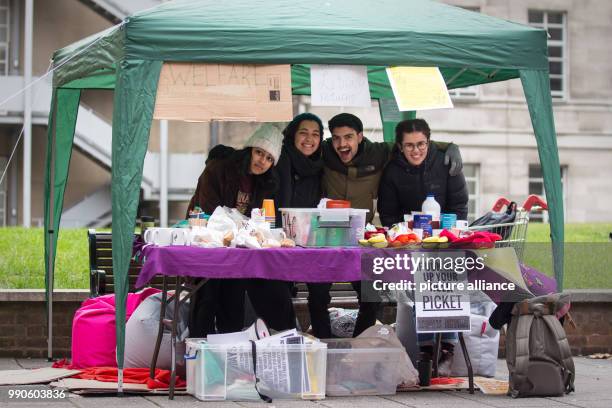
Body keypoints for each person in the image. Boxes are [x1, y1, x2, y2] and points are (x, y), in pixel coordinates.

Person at [377, 118, 468, 376]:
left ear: (429, 142)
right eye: (409, 146)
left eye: (421, 144)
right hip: (411, 245)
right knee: (421, 285)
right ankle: (426, 351)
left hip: (445, 242)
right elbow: (388, 214)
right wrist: (406, 237)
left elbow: (460, 206)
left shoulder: (445, 163)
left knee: (446, 282)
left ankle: (447, 349)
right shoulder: (392, 172)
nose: (416, 150)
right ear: (400, 147)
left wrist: (447, 236)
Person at [187, 123, 296, 336]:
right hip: (208, 244)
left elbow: (259, 220)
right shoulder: (218, 169)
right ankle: (198, 355)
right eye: (259, 153)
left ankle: (229, 353)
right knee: (206, 300)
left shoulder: (265, 182)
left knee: (233, 300)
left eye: (268, 158)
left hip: (239, 251)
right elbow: (209, 212)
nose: (261, 161)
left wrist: (253, 232)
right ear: (249, 150)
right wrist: (240, 228)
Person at [275, 113, 336, 338]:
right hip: (282, 239)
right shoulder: (280, 158)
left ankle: (325, 345)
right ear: (292, 135)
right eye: (303, 132)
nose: (309, 139)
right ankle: (287, 343)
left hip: (315, 239)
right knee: (281, 295)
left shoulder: (324, 161)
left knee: (320, 295)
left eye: (315, 134)